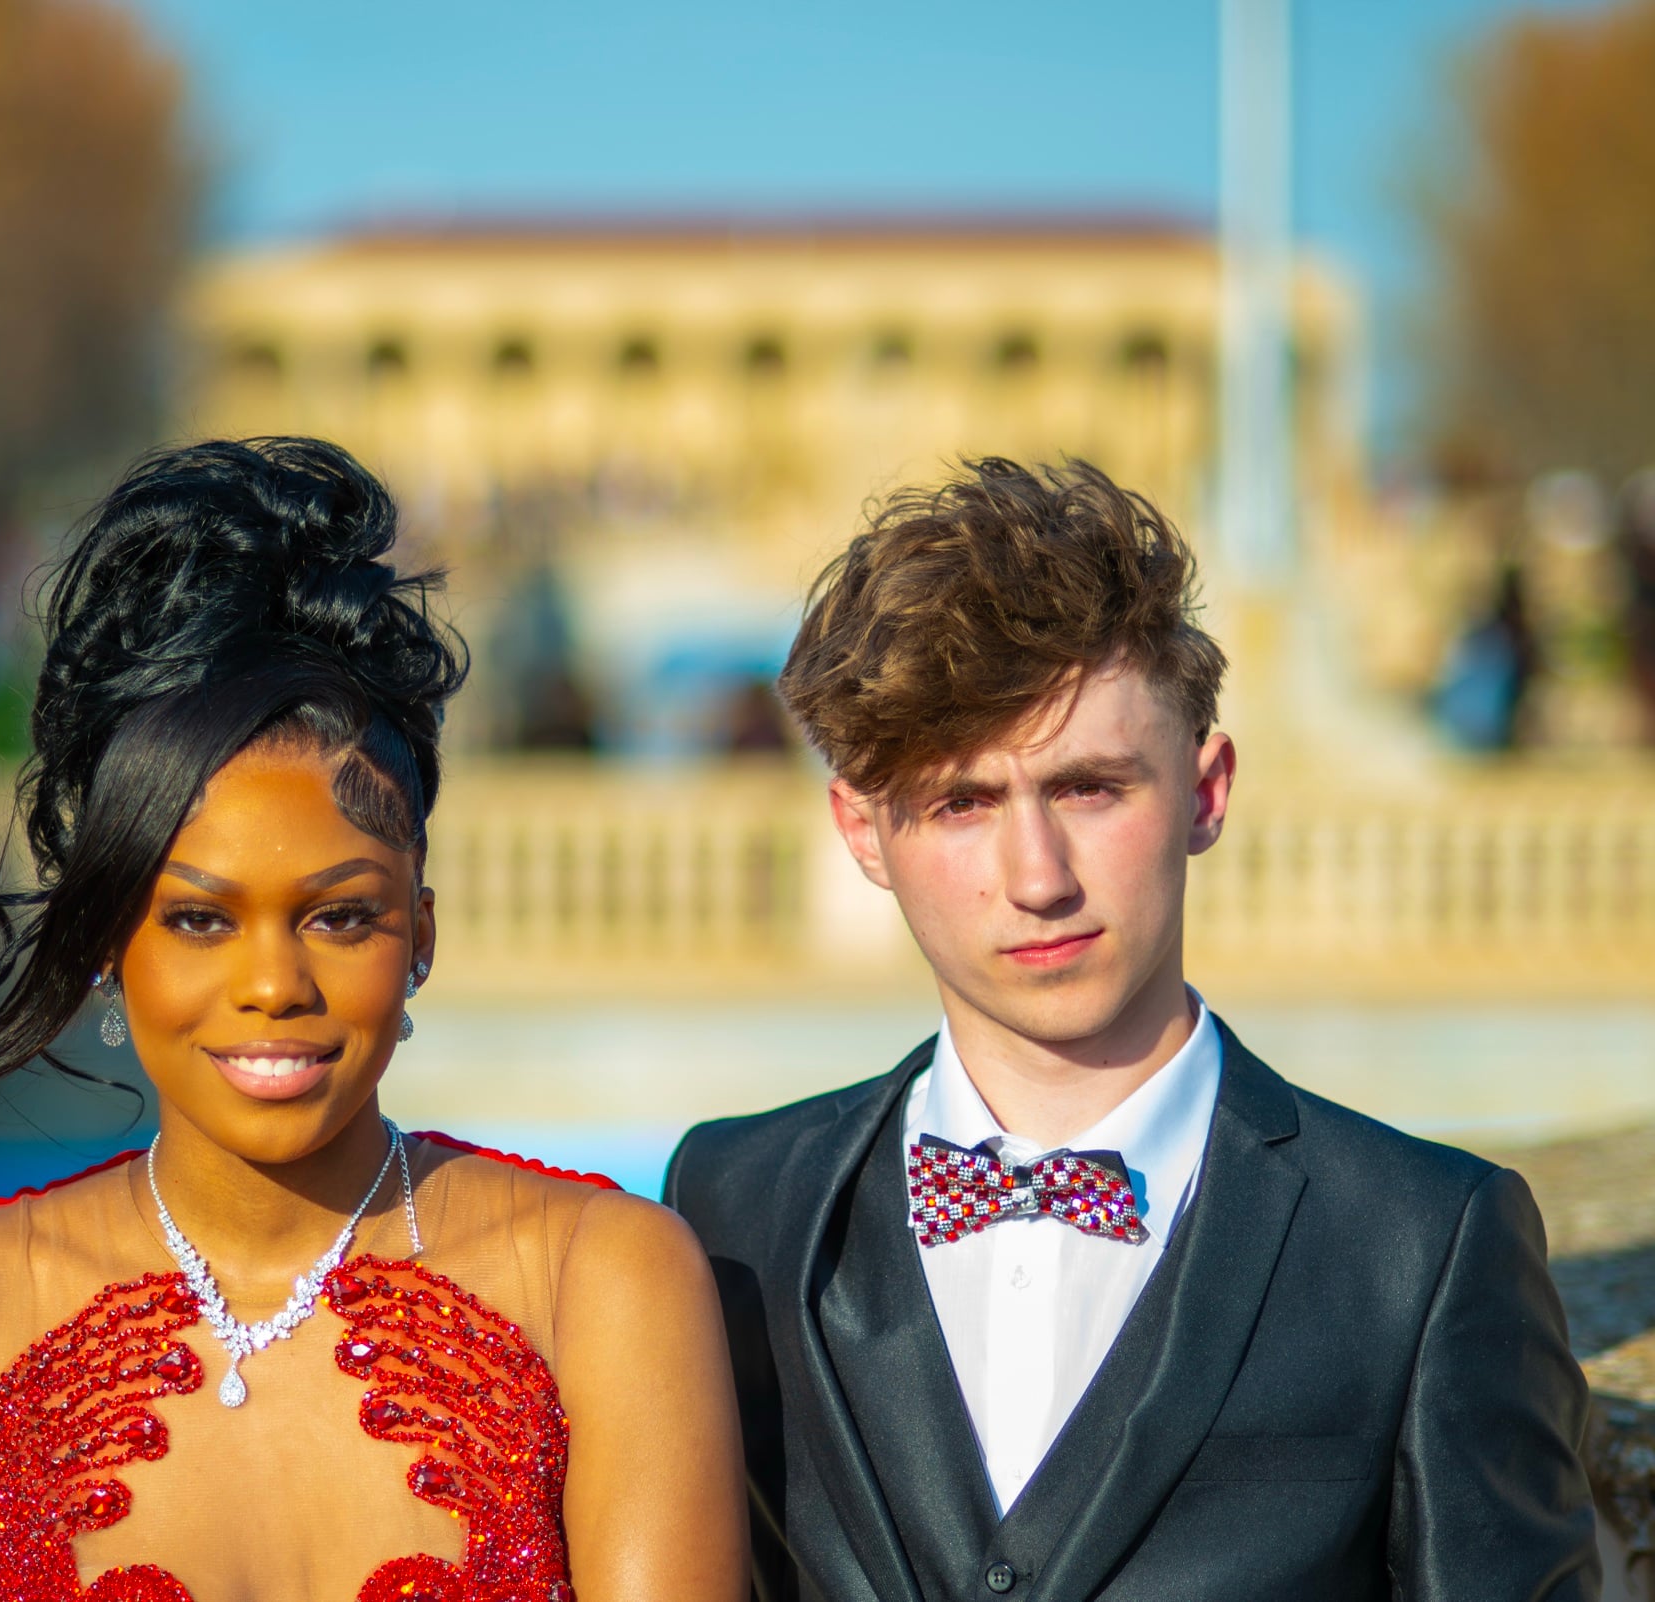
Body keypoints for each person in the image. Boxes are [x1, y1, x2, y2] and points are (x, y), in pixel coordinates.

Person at [0, 438, 745, 1602]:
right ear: (108, 940)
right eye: (200, 920)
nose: (274, 984)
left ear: (420, 935)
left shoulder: (602, 1283)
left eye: (339, 918)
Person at [665, 459, 1597, 1601]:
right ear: (862, 834)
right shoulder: (733, 1205)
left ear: (1206, 791)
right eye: (962, 804)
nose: (1038, 879)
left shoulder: (1423, 1242)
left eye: (1090, 789)